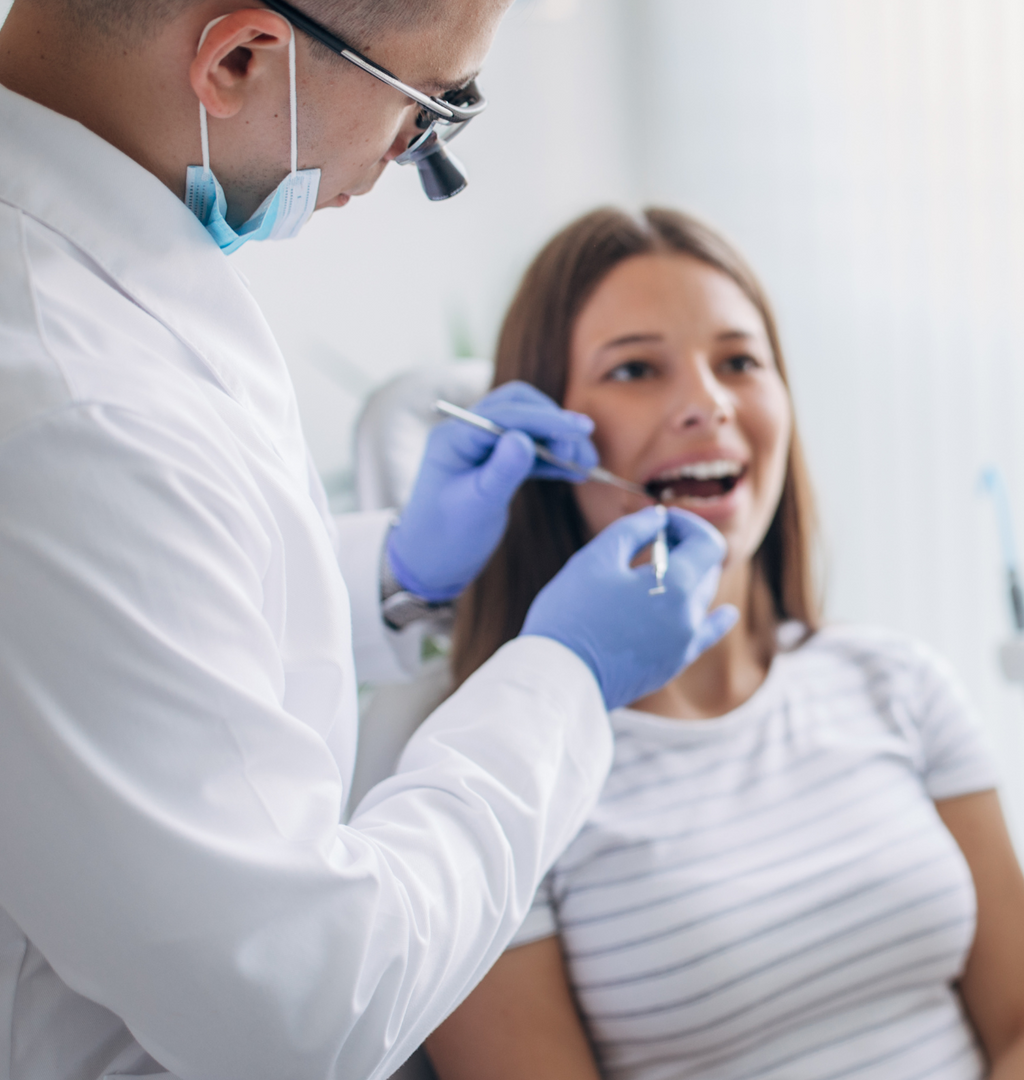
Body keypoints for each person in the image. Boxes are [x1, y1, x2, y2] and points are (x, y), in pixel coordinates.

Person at [0, 3, 734, 1077]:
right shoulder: (70, 400)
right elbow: (303, 1007)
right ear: (241, 57)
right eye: (433, 106)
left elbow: (131, 638)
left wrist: (395, 576)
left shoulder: (97, 286)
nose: (410, 156)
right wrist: (564, 679)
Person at [419, 206, 1024, 1080]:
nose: (707, 403)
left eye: (740, 361)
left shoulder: (899, 684)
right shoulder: (489, 784)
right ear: (544, 445)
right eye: (635, 369)